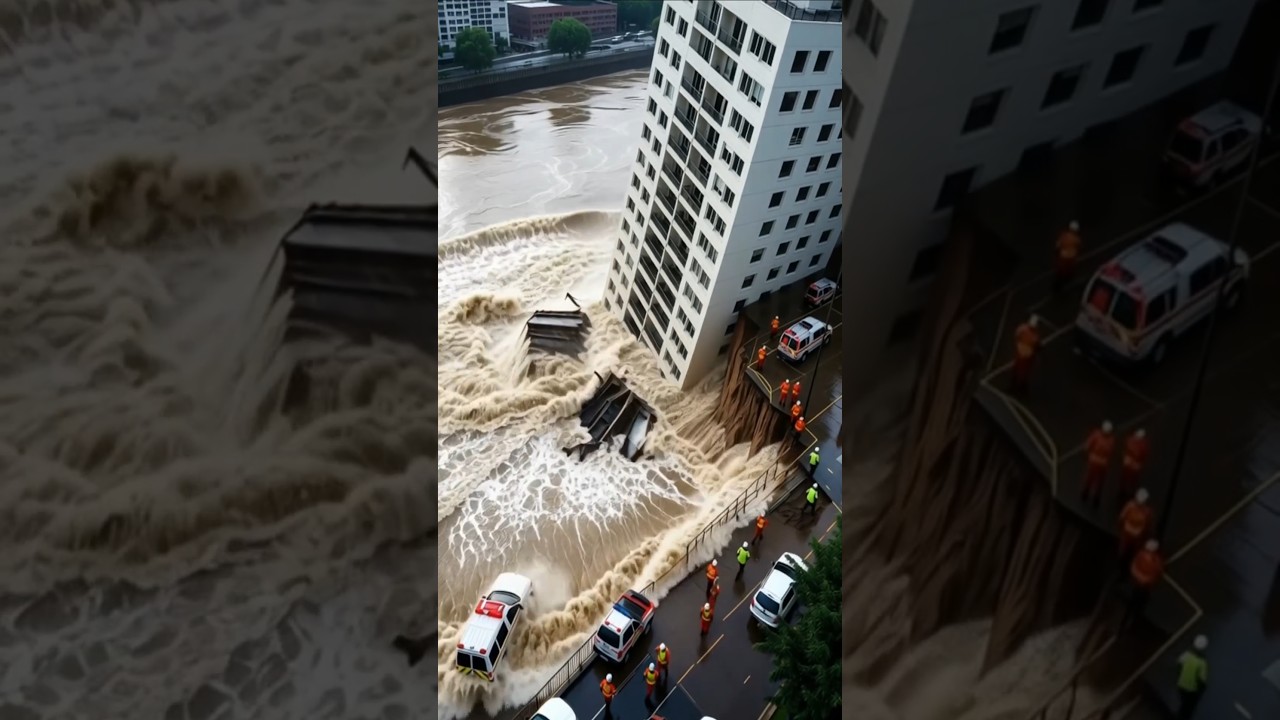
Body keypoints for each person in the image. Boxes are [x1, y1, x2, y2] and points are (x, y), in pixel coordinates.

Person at [1124, 538, 1165, 629]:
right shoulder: (1143, 556)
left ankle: (1135, 615)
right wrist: (1143, 577)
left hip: (1144, 585)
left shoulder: (1155, 560)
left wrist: (1142, 578)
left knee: (1139, 600)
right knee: (1136, 598)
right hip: (1141, 583)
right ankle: (1133, 614)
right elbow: (1134, 566)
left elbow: (1157, 572)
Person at [1117, 488, 1154, 571]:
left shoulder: (1147, 512)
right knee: (1123, 548)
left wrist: (1146, 533)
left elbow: (1148, 523)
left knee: (1134, 550)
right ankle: (1120, 562)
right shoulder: (1130, 506)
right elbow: (1122, 516)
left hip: (1137, 536)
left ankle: (1131, 563)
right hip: (1127, 533)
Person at [1081, 420, 1115, 508]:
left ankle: (1085, 494)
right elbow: (1110, 452)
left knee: (1090, 478)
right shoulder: (1111, 440)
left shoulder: (1096, 434)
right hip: (1102, 463)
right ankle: (1095, 498)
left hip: (1094, 460)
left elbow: (1089, 443)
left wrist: (1086, 450)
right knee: (1099, 482)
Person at [1176, 635, 1209, 719]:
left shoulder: (1186, 655)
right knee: (1188, 710)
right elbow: (1202, 681)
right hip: (1191, 691)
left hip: (1181, 686)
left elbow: (1179, 665)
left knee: (1183, 705)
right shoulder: (1202, 663)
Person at [1011, 315, 1040, 395]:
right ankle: (1019, 387)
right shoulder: (1034, 335)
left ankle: (1019, 387)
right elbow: (1036, 346)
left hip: (1024, 355)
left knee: (1021, 372)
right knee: (1020, 371)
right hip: (1024, 355)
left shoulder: (1023, 329)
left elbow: (1016, 336)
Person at [1120, 429, 1150, 501]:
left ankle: (1130, 492)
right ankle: (1123, 490)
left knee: (1133, 479)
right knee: (1125, 477)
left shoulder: (1143, 444)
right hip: (1130, 463)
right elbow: (1125, 449)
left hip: (1134, 464)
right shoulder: (1131, 440)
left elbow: (1143, 455)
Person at [1054, 220, 1082, 293]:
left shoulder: (1064, 236)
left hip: (1063, 257)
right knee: (1069, 273)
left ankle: (1059, 287)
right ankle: (1065, 285)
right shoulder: (1076, 238)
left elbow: (1057, 245)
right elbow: (1078, 246)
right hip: (1071, 258)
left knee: (1061, 273)